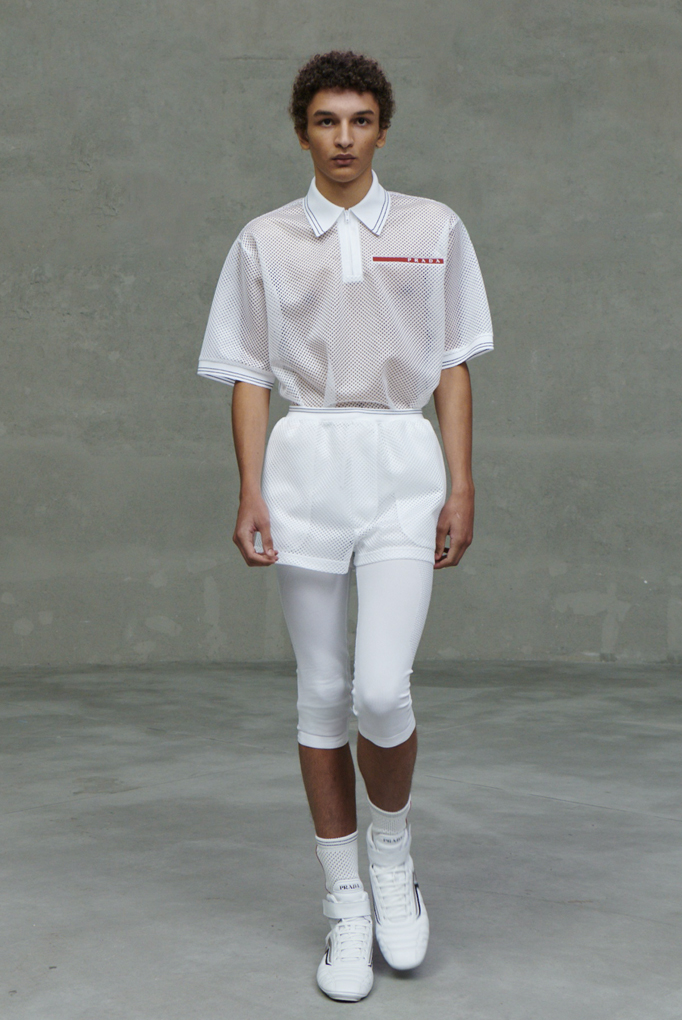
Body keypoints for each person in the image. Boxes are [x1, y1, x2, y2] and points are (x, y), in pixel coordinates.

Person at [197, 50, 493, 1002]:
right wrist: (250, 489)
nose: (343, 138)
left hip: (403, 463)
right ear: (303, 133)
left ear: (382, 130)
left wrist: (461, 483)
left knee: (380, 690)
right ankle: (346, 900)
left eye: (360, 120)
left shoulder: (433, 228)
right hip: (307, 462)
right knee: (323, 692)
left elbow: (452, 364)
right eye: (326, 121)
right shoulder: (266, 240)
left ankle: (393, 861)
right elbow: (249, 374)